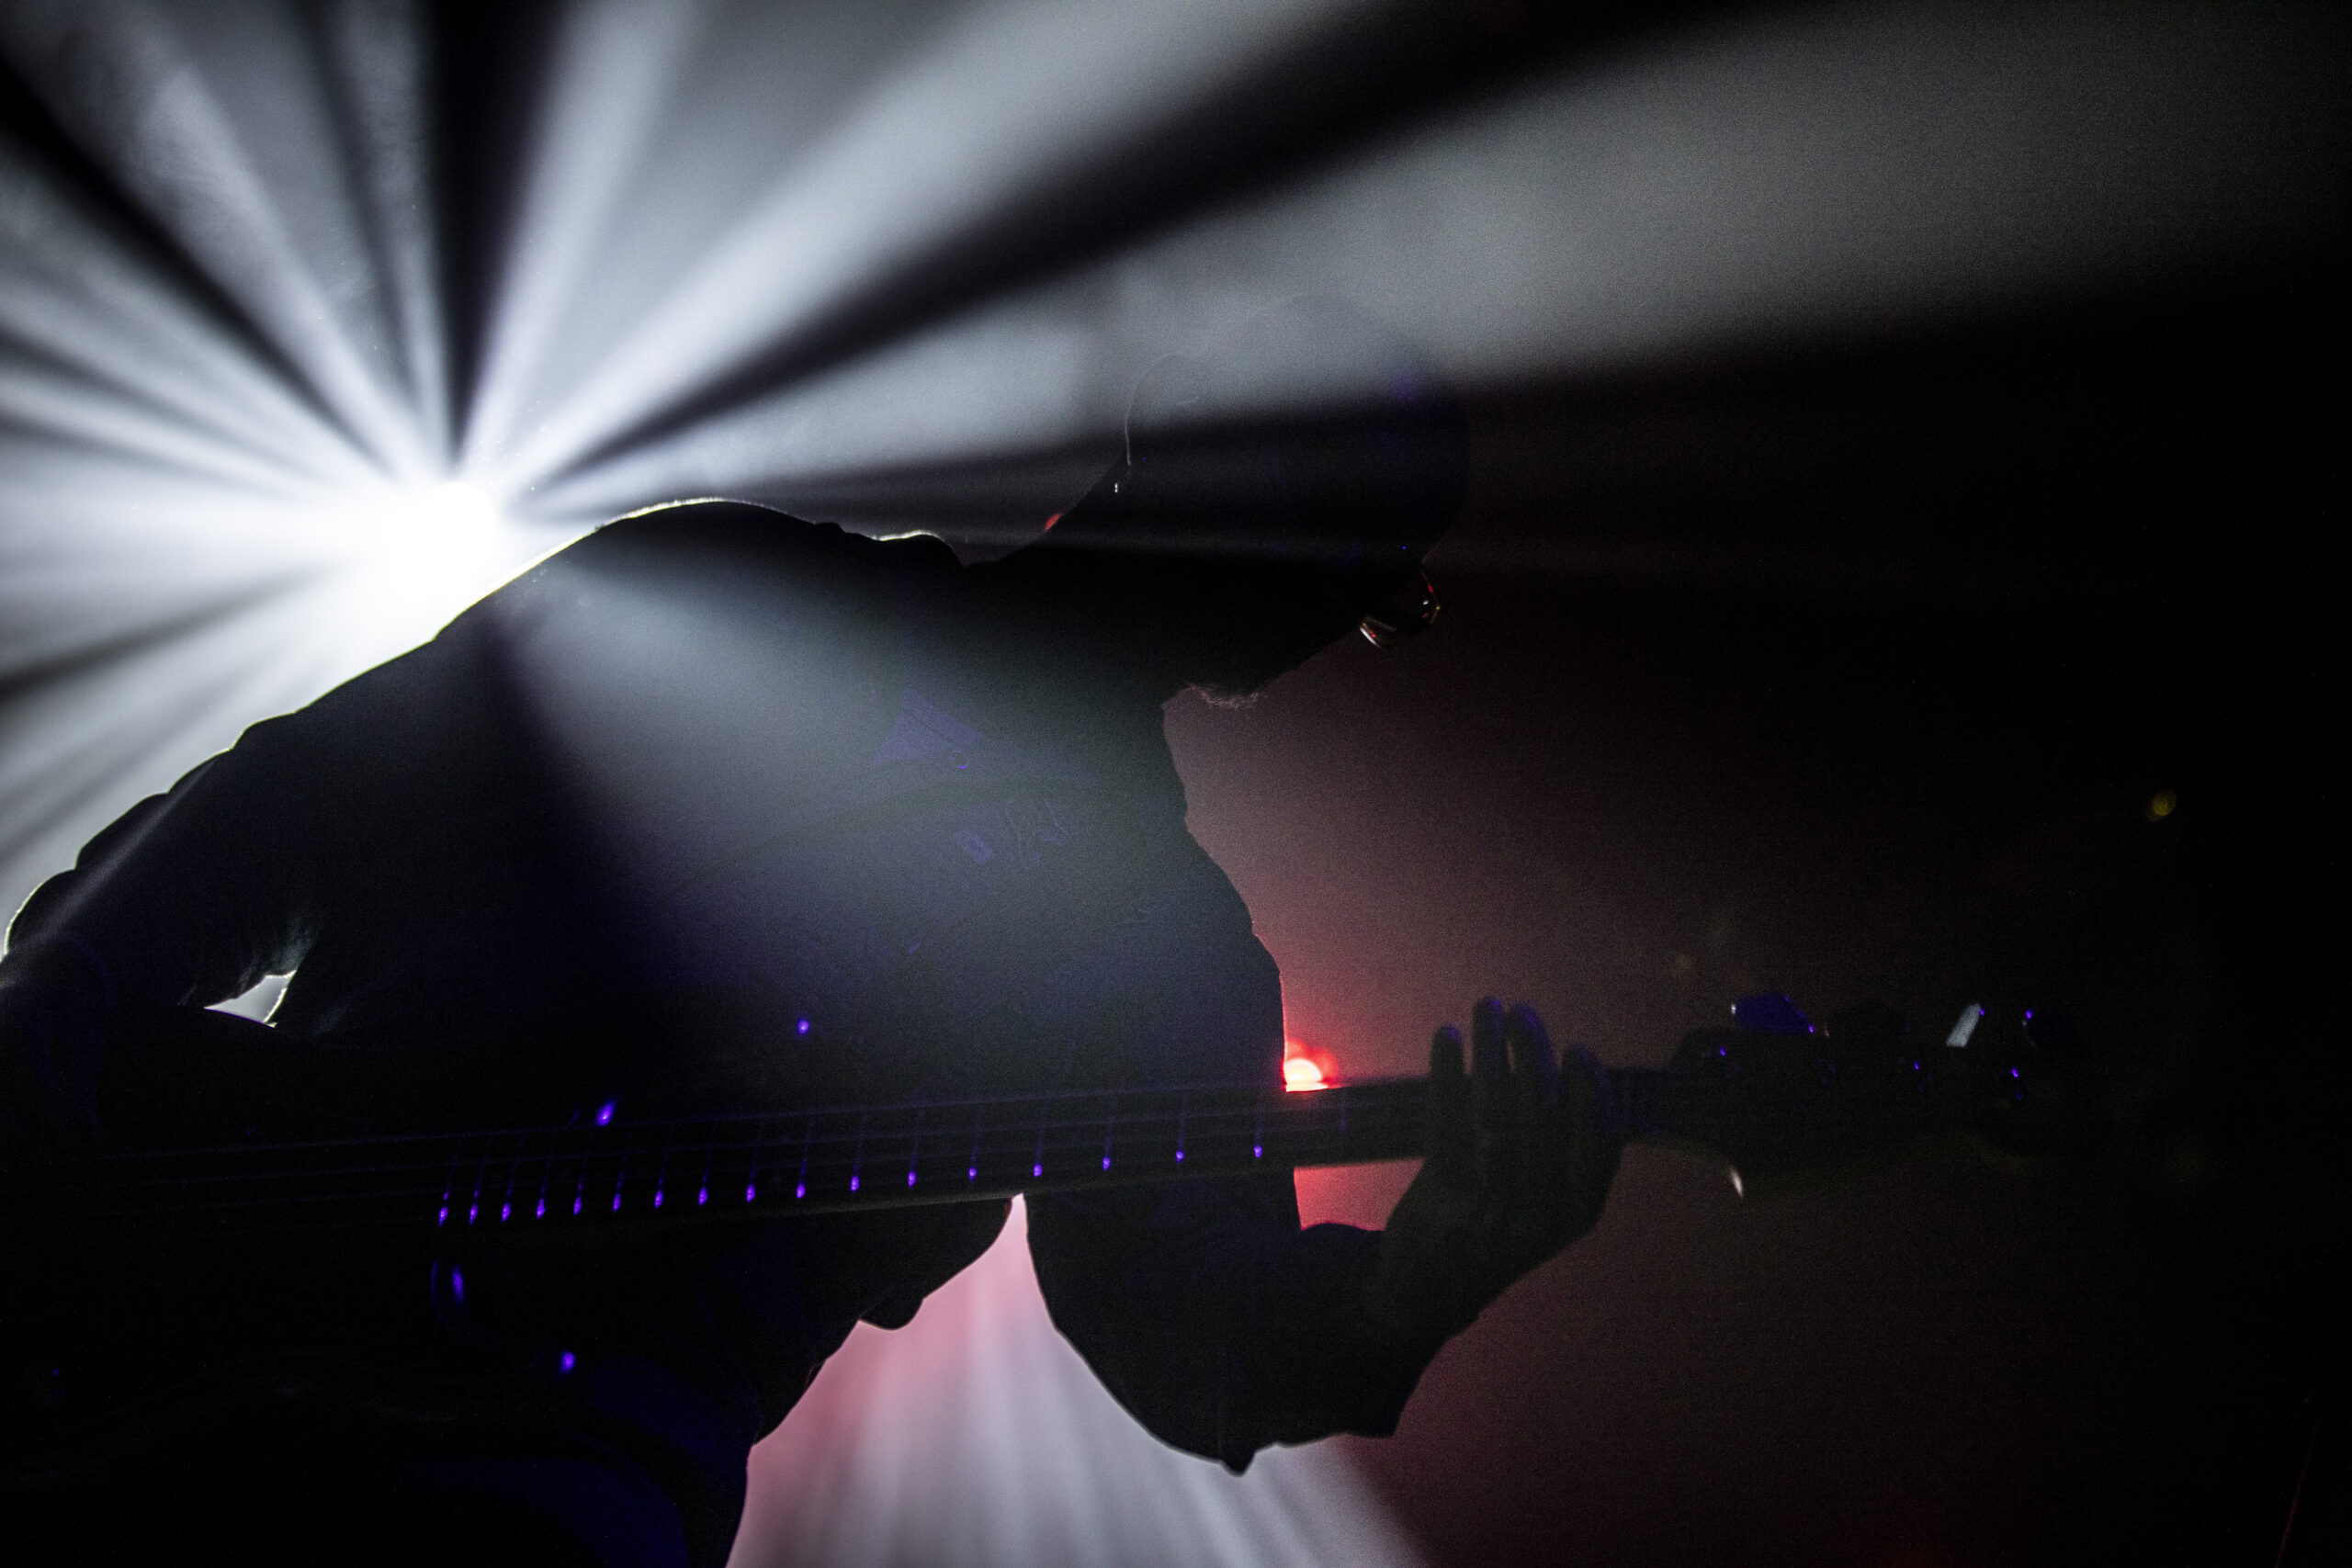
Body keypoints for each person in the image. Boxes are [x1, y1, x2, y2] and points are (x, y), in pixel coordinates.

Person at [0, 305, 1621, 1566]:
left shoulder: (1169, 953)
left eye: (1370, 577)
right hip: (173, 1305)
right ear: (1174, 429)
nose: (1323, 592)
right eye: (1334, 520)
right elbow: (302, 802)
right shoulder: (724, 590)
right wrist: (61, 997)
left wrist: (1408, 1291)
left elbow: (1187, 1323)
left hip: (558, 1473)